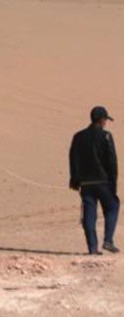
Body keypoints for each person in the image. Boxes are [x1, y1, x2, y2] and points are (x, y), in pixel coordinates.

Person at [70, 106, 120, 255]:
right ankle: (108, 241)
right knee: (112, 206)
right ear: (101, 119)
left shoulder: (78, 136)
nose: (106, 122)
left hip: (85, 183)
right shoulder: (106, 136)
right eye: (105, 119)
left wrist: (74, 179)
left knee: (89, 213)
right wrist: (113, 182)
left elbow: (73, 159)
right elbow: (111, 161)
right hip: (103, 181)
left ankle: (92, 248)